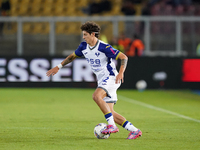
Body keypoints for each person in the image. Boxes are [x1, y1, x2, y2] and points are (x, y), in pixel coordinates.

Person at [46, 21, 142, 139]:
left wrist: (121, 73)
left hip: (111, 77)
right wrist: (58, 67)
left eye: (85, 34)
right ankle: (134, 130)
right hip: (102, 80)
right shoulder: (83, 46)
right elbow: (72, 56)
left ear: (92, 34)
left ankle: (111, 126)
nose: (83, 37)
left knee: (96, 96)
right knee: (110, 112)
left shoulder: (104, 47)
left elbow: (124, 57)